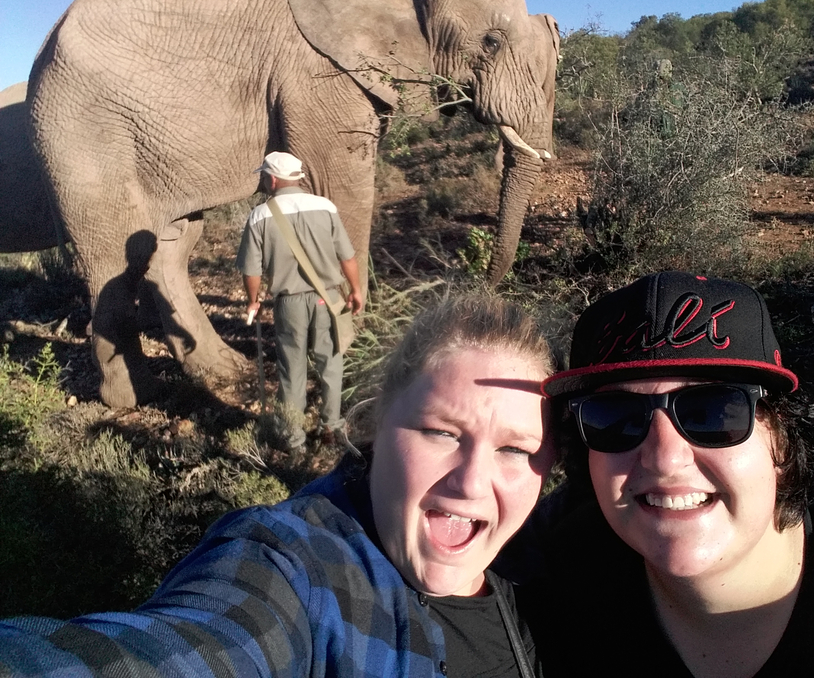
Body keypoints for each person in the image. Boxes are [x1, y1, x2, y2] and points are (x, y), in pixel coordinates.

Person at [0, 293, 557, 677]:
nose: (472, 482)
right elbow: (206, 644)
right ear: (373, 426)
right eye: (440, 432)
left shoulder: (549, 569)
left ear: (549, 465)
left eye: (515, 448)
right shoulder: (297, 566)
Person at [524, 271, 814, 678]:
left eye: (712, 412)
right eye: (614, 417)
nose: (664, 459)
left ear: (783, 440)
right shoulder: (543, 589)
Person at [237, 150, 364, 449]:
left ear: (271, 178)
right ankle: (331, 427)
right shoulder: (325, 206)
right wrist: (356, 290)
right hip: (327, 299)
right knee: (331, 363)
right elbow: (347, 256)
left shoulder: (260, 215)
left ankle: (293, 438)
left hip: (289, 302)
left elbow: (251, 270)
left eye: (263, 177)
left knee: (292, 369)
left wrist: (253, 299)